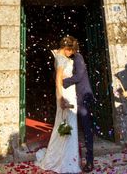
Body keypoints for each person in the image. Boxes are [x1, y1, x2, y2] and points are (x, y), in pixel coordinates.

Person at [36, 36, 81, 173]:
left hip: (69, 93)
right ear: (66, 48)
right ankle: (65, 160)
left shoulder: (60, 57)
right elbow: (58, 79)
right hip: (65, 95)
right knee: (66, 125)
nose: (73, 53)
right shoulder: (61, 59)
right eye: (72, 50)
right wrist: (61, 98)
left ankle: (66, 157)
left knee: (65, 126)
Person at [61, 36, 94, 172]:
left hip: (84, 96)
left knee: (87, 129)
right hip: (78, 96)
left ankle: (90, 161)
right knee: (82, 127)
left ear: (72, 49)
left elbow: (79, 76)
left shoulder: (79, 57)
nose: (65, 51)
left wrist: (64, 81)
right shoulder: (72, 59)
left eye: (67, 49)